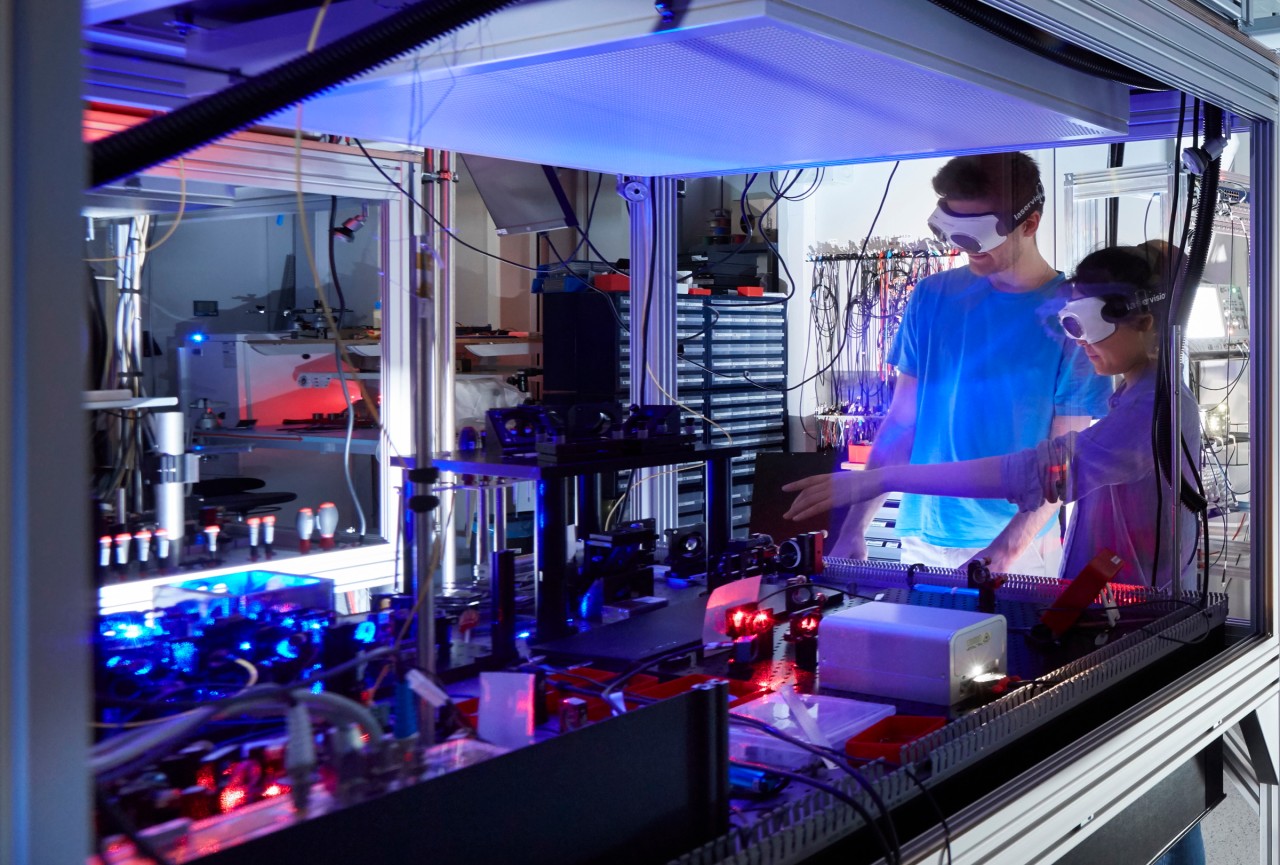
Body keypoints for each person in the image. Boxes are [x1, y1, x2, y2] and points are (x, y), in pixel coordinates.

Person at [785, 241, 1200, 591]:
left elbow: (1035, 473)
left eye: (1091, 327)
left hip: (1136, 611)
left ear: (1145, 322)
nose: (1082, 343)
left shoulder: (1152, 409)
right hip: (1105, 598)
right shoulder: (1133, 396)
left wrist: (884, 477)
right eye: (1072, 325)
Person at [830, 152, 1113, 577]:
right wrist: (856, 528)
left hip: (1018, 546)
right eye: (952, 230)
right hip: (923, 536)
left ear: (1029, 224)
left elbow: (1064, 458)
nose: (962, 248)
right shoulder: (931, 298)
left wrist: (1008, 548)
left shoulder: (1072, 315)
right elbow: (901, 423)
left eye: (976, 234)